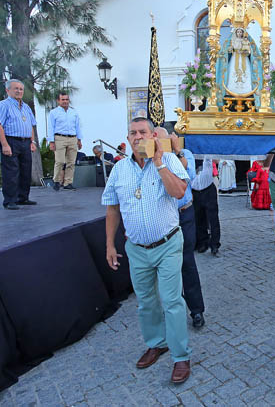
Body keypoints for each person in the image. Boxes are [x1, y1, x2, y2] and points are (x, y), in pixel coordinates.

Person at [102, 117, 192, 384]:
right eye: (133, 133)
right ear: (128, 138)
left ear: (153, 136)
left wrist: (159, 162)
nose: (138, 137)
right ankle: (157, 342)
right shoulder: (119, 170)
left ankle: (180, 356)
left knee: (172, 300)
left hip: (167, 244)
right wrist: (109, 244)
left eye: (143, 132)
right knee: (146, 302)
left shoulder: (169, 160)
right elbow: (112, 208)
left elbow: (179, 192)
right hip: (137, 249)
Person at [155, 127, 206, 329]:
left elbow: (189, 175)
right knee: (163, 266)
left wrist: (177, 152)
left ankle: (196, 310)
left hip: (183, 215)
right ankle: (169, 310)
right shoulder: (150, 159)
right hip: (162, 216)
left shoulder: (186, 155)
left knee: (186, 262)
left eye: (161, 140)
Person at [0, 79, 38, 210]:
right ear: (8, 90)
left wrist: (32, 141)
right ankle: (10, 200)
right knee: (11, 172)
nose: (19, 91)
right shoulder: (3, 105)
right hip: (11, 140)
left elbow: (31, 125)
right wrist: (5, 144)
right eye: (16, 88)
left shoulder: (26, 107)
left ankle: (23, 197)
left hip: (25, 141)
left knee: (25, 171)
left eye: (21, 89)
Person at [47, 92, 82, 191]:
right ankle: (57, 181)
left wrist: (79, 140)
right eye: (63, 99)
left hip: (72, 138)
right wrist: (51, 141)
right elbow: (50, 127)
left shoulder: (73, 112)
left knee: (71, 162)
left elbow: (78, 127)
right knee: (60, 161)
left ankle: (68, 182)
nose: (65, 101)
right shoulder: (54, 112)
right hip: (59, 138)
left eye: (67, 99)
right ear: (58, 101)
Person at [192, 156, 221, 256]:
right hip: (194, 191)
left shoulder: (206, 154)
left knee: (213, 219)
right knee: (198, 218)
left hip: (208, 189)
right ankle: (202, 242)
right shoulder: (187, 156)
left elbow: (217, 159)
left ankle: (215, 244)